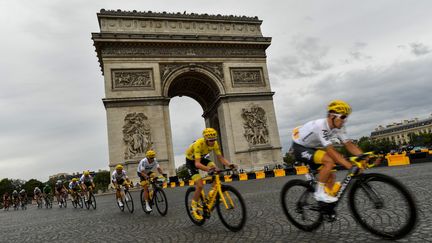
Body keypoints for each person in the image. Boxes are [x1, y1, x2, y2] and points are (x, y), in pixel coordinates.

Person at [291, 100, 366, 203]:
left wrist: (363, 156)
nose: (345, 120)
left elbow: (348, 144)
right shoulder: (321, 126)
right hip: (299, 147)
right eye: (343, 117)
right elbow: (330, 151)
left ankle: (326, 208)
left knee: (331, 176)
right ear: (332, 116)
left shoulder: (339, 127)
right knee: (329, 160)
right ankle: (319, 193)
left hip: (312, 147)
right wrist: (349, 166)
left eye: (346, 117)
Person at [185, 128, 235, 220]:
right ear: (205, 139)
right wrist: (208, 169)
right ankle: (193, 206)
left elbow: (220, 158)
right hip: (191, 162)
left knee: (215, 167)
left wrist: (229, 164)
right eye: (210, 140)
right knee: (200, 185)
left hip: (201, 158)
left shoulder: (215, 144)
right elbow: (197, 164)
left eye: (214, 140)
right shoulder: (198, 144)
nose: (212, 142)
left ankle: (213, 193)